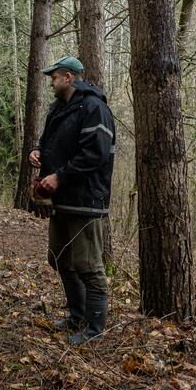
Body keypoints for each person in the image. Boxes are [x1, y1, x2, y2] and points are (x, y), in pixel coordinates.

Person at [29, 56, 115, 345]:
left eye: (54, 77)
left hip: (86, 199)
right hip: (61, 200)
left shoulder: (94, 108)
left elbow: (96, 154)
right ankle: (77, 317)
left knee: (88, 265)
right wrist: (38, 153)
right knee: (59, 258)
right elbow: (49, 143)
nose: (51, 82)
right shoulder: (58, 109)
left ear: (68, 78)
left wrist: (60, 176)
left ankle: (94, 330)